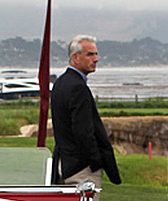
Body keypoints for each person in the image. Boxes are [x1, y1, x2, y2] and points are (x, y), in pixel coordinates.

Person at [50, 35, 120, 189]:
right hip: (81, 168)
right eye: (90, 54)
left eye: (96, 54)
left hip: (64, 164)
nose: (96, 59)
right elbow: (83, 131)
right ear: (75, 57)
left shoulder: (60, 83)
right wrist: (95, 161)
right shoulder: (78, 87)